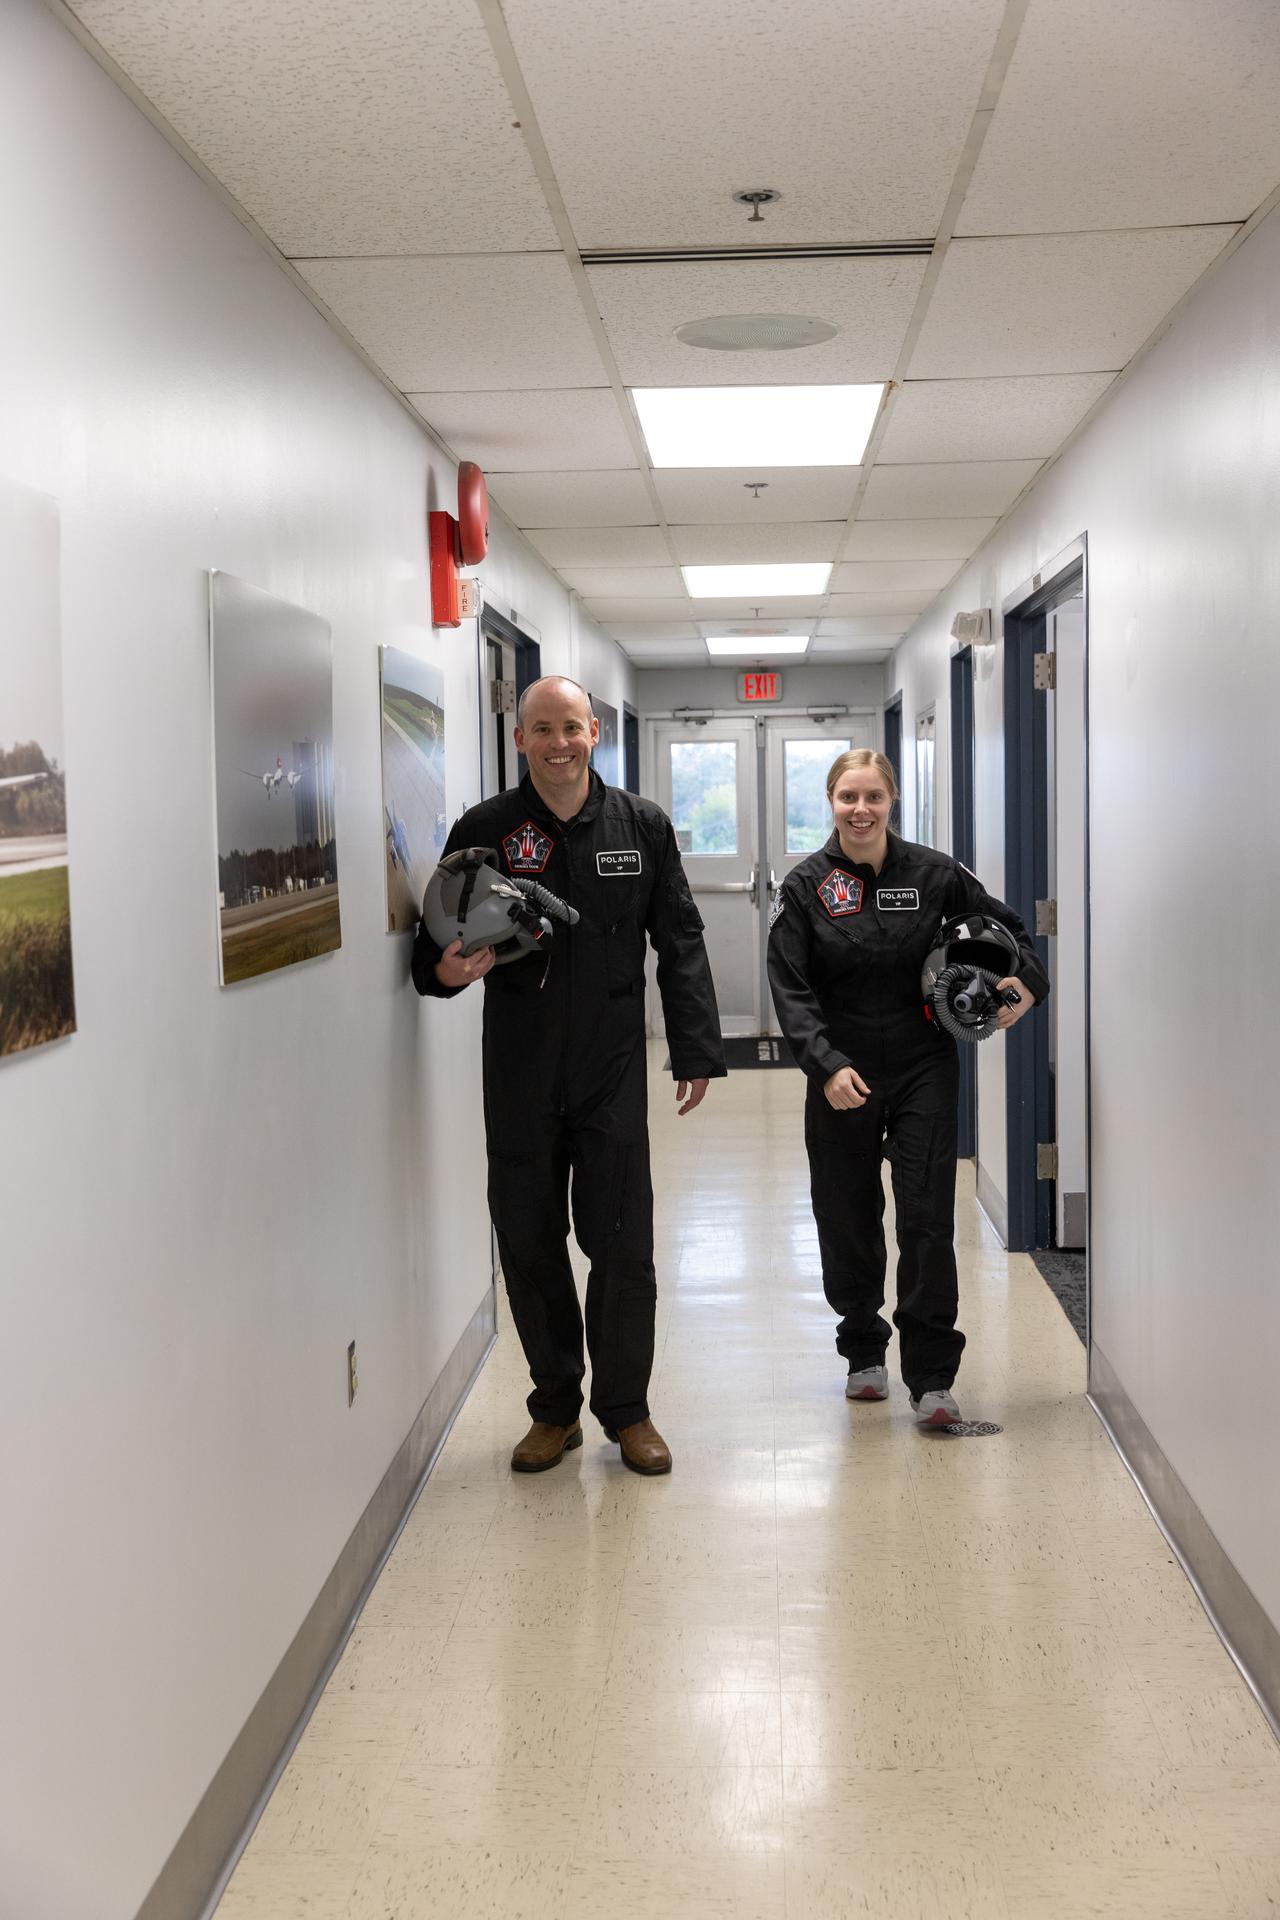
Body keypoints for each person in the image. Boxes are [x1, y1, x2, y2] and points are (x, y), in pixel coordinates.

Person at [412, 676, 725, 1475]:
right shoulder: (484, 830)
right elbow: (431, 949)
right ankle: (554, 1408)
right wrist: (447, 969)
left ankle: (627, 1412)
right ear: (521, 740)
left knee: (621, 1242)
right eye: (542, 729)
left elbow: (680, 939)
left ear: (595, 734)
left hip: (611, 1066)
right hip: (518, 1068)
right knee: (528, 1237)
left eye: (572, 728)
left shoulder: (641, 826)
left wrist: (693, 1050)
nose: (559, 743)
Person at [767, 748, 1048, 1427]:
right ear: (830, 803)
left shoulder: (935, 872)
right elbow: (790, 986)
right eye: (847, 798)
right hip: (843, 1070)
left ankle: (931, 1377)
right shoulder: (806, 887)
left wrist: (1027, 982)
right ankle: (863, 1345)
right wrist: (825, 1063)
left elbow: (1009, 928)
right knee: (847, 1213)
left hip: (924, 1063)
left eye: (874, 797)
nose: (860, 810)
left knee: (925, 1219)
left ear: (893, 801)